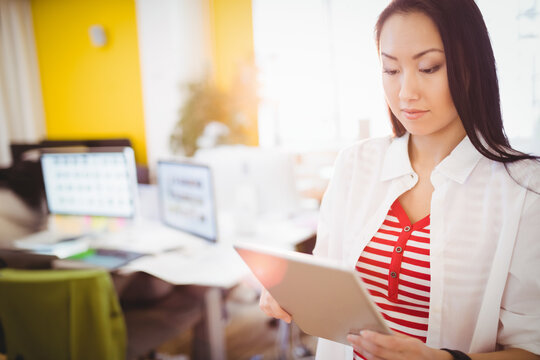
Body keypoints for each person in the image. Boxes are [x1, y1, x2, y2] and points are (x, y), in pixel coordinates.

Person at [259, 0, 540, 359]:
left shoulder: (524, 191)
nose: (406, 92)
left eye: (429, 67)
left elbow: (532, 346)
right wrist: (291, 291)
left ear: (471, 66)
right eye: (391, 70)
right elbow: (325, 279)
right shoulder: (355, 164)